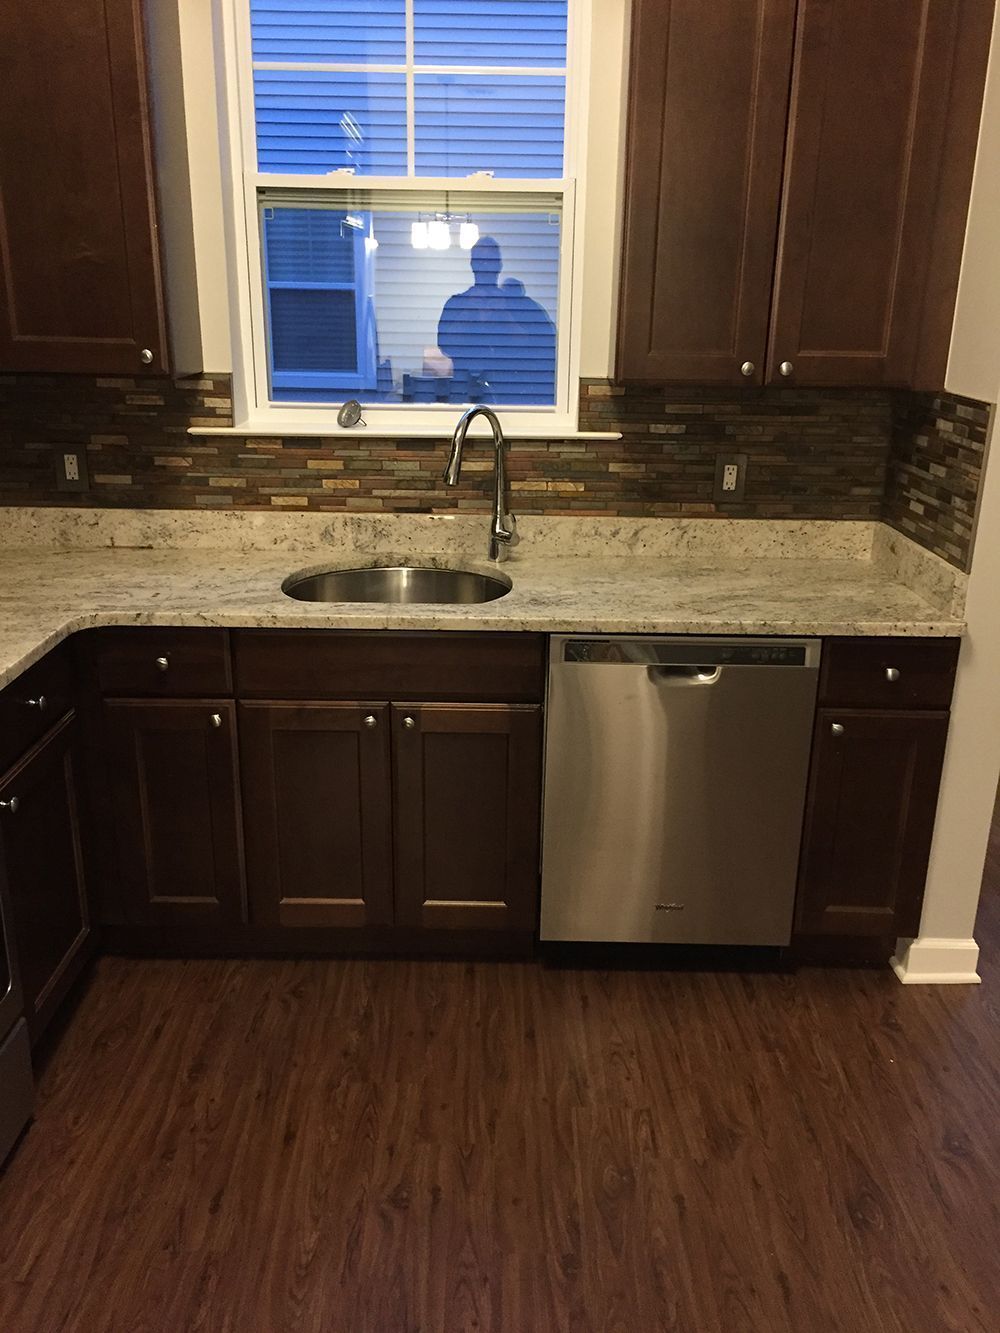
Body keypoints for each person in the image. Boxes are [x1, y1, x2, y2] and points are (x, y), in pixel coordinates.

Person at [437, 236, 556, 403]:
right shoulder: (456, 304)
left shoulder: (522, 306)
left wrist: (505, 314)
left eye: (490, 261)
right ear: (472, 264)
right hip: (465, 395)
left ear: (499, 264)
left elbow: (546, 345)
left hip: (513, 397)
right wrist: (467, 311)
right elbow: (445, 345)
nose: (485, 266)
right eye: (480, 261)